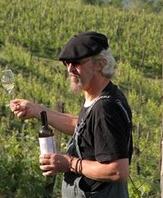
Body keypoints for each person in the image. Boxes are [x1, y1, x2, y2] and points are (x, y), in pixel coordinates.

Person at [9, 31, 133, 198]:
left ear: (100, 64)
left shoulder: (105, 107)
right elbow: (84, 126)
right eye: (66, 63)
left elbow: (117, 170)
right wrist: (36, 110)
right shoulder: (100, 96)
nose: (69, 69)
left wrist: (69, 163)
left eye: (76, 63)